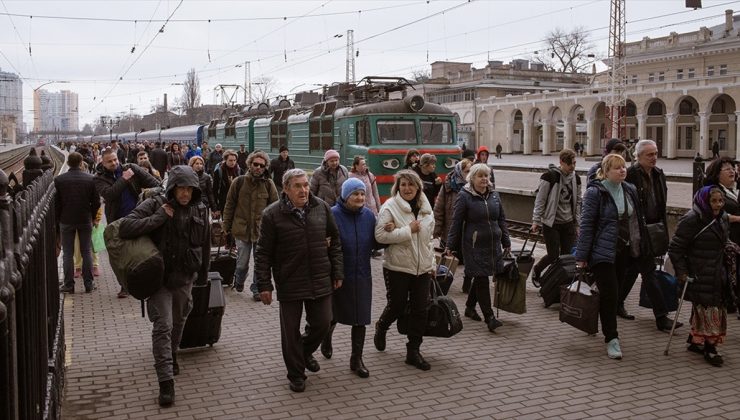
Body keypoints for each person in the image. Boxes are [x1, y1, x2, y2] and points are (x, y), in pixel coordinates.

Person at [118, 165, 210, 406]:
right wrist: (159, 217)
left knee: (178, 322)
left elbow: (205, 244)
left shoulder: (200, 208)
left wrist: (204, 274)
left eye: (190, 189)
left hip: (184, 278)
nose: (185, 194)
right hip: (158, 280)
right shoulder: (155, 203)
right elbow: (125, 227)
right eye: (181, 188)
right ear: (172, 187)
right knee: (163, 326)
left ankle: (172, 354)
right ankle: (166, 382)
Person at [255, 168, 343, 393]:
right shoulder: (272, 214)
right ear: (286, 189)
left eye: (306, 184)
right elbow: (263, 253)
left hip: (320, 276)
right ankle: (296, 374)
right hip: (289, 280)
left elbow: (335, 242)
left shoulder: (321, 208)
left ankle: (303, 353)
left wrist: (338, 272)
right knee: (290, 331)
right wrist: (264, 284)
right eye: (298, 186)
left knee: (324, 322)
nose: (304, 190)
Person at [576, 153, 647, 360]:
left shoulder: (629, 190)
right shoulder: (595, 193)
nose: (622, 170)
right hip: (602, 252)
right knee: (611, 294)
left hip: (624, 250)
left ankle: (598, 320)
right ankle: (612, 338)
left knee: (613, 293)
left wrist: (641, 245)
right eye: (617, 168)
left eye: (624, 167)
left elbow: (637, 221)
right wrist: (582, 256)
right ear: (606, 171)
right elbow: (587, 225)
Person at [373, 170, 435, 371]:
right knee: (397, 305)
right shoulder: (389, 207)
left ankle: (413, 351)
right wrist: (408, 230)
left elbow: (429, 241)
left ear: (418, 187)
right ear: (397, 187)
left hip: (422, 268)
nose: (407, 189)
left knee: (420, 309)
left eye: (411, 185)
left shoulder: (426, 209)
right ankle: (382, 326)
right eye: (403, 185)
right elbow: (380, 236)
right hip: (397, 267)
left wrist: (432, 264)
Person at [623, 140, 683, 329]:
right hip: (638, 232)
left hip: (654, 229)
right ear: (638, 156)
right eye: (649, 154)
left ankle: (615, 303)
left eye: (656, 153)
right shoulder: (631, 174)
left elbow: (661, 204)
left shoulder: (658, 174)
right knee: (649, 272)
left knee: (632, 269)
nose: (654, 157)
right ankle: (661, 316)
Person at [669, 186, 731, 367]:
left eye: (720, 201)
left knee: (713, 307)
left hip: (718, 271)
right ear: (705, 201)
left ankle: (696, 340)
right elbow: (676, 248)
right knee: (709, 308)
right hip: (699, 271)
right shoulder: (692, 219)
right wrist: (682, 272)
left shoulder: (722, 218)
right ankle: (710, 348)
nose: (718, 205)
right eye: (714, 201)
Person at [446, 163, 509, 332]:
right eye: (480, 176)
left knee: (481, 276)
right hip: (474, 244)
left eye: (486, 176)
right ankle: (490, 317)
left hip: (493, 244)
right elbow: (456, 223)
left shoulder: (494, 195)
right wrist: (450, 245)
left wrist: (506, 241)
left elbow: (501, 219)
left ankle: (469, 307)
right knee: (482, 279)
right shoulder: (464, 196)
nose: (484, 179)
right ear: (472, 178)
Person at [94, 148, 161, 298]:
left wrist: (153, 194)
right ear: (102, 163)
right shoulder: (98, 178)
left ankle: (151, 283)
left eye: (115, 159)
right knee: (122, 256)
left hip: (138, 216)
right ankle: (125, 286)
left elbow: (155, 183)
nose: (114, 163)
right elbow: (110, 195)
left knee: (147, 250)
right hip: (118, 221)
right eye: (110, 161)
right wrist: (124, 179)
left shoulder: (132, 168)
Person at [330, 178, 377, 378]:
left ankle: (356, 359)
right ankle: (325, 338)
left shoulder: (369, 216)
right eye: (355, 194)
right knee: (331, 314)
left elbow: (376, 243)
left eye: (362, 194)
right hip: (338, 274)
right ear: (345, 195)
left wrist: (392, 233)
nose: (359, 198)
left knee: (360, 317)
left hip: (362, 274)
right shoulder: (333, 214)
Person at [223, 151, 279, 298]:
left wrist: (276, 229)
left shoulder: (268, 184)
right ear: (250, 164)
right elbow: (230, 205)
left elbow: (275, 207)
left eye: (262, 165)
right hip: (241, 229)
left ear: (265, 167)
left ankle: (256, 289)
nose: (258, 167)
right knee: (242, 262)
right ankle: (239, 279)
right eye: (256, 164)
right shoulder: (239, 182)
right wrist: (225, 227)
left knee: (260, 263)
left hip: (261, 231)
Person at [531, 149, 581, 288]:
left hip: (568, 223)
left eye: (574, 163)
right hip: (551, 223)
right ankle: (537, 270)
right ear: (561, 162)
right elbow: (540, 200)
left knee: (566, 257)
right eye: (570, 163)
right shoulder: (549, 177)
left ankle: (557, 283)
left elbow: (578, 202)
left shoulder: (575, 179)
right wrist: (536, 221)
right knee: (553, 255)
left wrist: (577, 224)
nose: (573, 166)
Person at [56, 152, 101, 294]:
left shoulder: (59, 180)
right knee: (86, 251)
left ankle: (69, 284)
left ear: (68, 163)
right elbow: (96, 201)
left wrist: (58, 219)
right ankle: (89, 283)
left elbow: (57, 204)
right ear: (81, 162)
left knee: (68, 253)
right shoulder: (90, 179)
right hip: (85, 219)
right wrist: (93, 217)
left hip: (66, 219)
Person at [703, 156, 740, 315]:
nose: (732, 171)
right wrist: (737, 218)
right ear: (717, 174)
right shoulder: (713, 191)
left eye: (733, 168)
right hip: (723, 241)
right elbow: (714, 214)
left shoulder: (732, 190)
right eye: (727, 169)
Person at [434, 159, 472, 292]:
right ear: (459, 171)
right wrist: (437, 229)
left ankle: (467, 285)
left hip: (468, 230)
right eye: (466, 171)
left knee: (469, 259)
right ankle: (441, 282)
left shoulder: (473, 186)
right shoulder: (448, 185)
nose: (469, 174)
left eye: (470, 171)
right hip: (451, 229)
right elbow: (439, 208)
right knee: (447, 258)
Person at [213, 150, 242, 215]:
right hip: (224, 201)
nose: (233, 162)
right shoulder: (219, 172)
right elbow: (215, 189)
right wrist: (216, 207)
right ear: (225, 160)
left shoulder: (239, 170)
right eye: (230, 160)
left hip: (238, 201)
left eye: (234, 160)